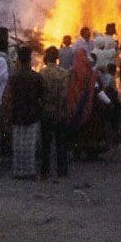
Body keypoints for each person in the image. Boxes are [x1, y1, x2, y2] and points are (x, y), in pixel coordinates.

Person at [7, 46, 44, 178]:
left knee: (18, 143)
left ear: (18, 60)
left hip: (17, 113)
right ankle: (29, 171)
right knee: (30, 144)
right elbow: (43, 96)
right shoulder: (37, 77)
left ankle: (18, 171)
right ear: (29, 60)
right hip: (32, 114)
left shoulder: (14, 77)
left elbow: (9, 97)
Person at [38, 46, 71, 179]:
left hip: (46, 109)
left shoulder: (42, 73)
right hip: (60, 111)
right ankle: (62, 171)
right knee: (61, 142)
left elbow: (40, 93)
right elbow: (64, 94)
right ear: (57, 58)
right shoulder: (64, 73)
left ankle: (44, 171)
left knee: (46, 142)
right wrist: (62, 108)